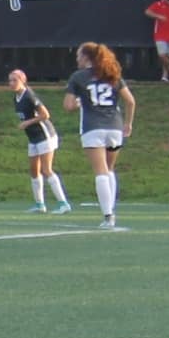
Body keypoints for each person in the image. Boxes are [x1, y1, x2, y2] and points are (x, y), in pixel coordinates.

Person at [64, 41, 135, 230]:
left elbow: (68, 106)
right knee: (110, 169)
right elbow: (130, 101)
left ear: (86, 57)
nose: (77, 59)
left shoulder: (78, 77)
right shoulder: (111, 74)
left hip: (92, 128)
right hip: (114, 127)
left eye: (79, 55)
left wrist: (79, 103)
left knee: (101, 171)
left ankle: (108, 215)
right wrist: (128, 123)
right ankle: (112, 210)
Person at [8, 68, 70, 214]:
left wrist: (27, 123)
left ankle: (63, 203)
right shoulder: (15, 97)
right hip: (33, 138)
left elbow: (45, 114)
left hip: (45, 135)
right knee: (34, 171)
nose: (11, 83)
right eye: (9, 80)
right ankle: (40, 204)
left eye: (14, 80)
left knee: (46, 169)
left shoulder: (29, 95)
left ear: (23, 80)